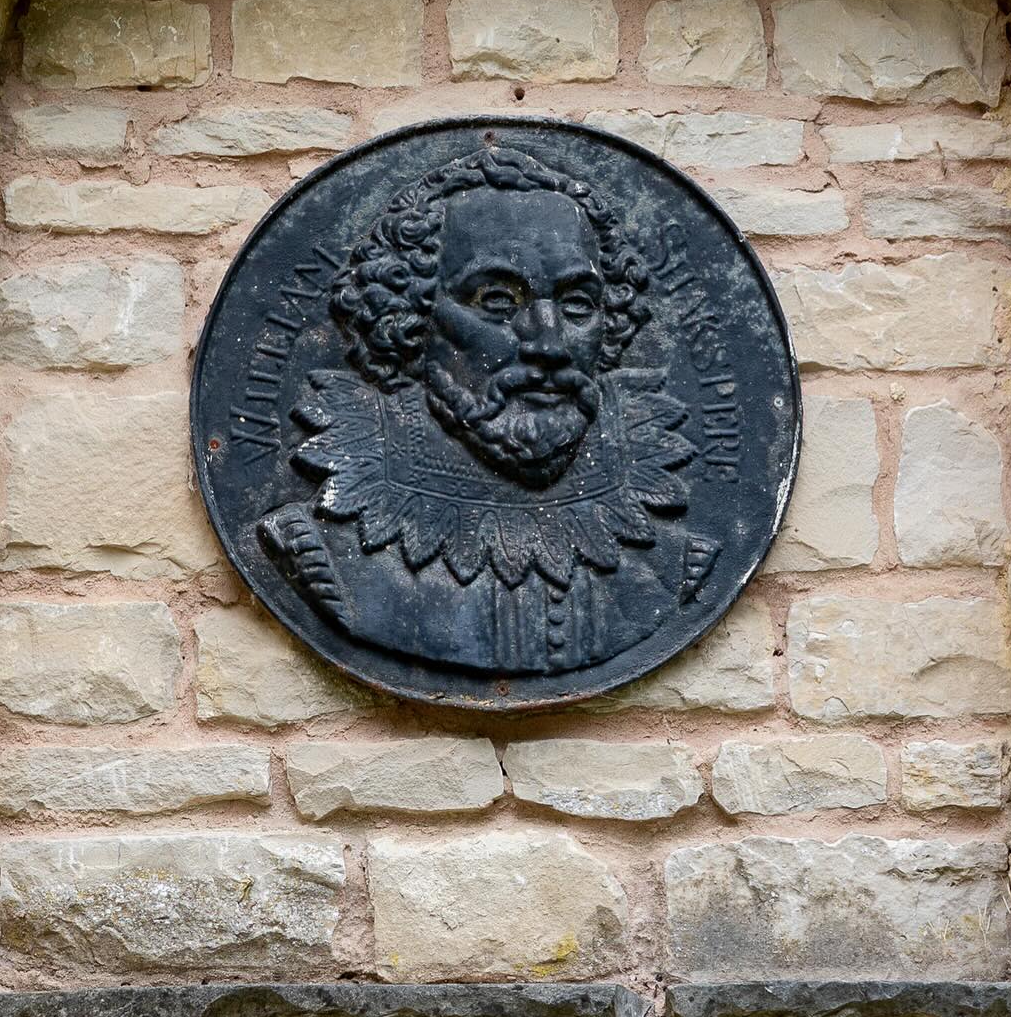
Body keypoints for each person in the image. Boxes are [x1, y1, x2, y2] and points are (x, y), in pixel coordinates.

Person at [260, 144, 719, 675]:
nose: (549, 344)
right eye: (497, 302)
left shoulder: (675, 559)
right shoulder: (323, 548)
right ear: (411, 316)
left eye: (577, 305)